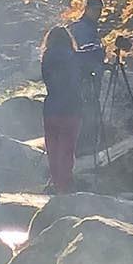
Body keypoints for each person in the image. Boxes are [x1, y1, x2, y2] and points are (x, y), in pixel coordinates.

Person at [39, 24, 87, 194]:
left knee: (53, 148)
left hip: (51, 108)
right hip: (71, 108)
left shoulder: (46, 56)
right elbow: (78, 79)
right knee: (67, 148)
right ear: (68, 40)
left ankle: (56, 181)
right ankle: (65, 184)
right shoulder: (74, 57)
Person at [70, 0, 111, 159]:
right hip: (83, 78)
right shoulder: (80, 28)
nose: (98, 13)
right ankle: (84, 147)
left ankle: (88, 145)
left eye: (100, 9)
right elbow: (78, 55)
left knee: (91, 109)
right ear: (86, 9)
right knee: (87, 110)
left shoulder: (90, 28)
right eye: (95, 9)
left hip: (90, 76)